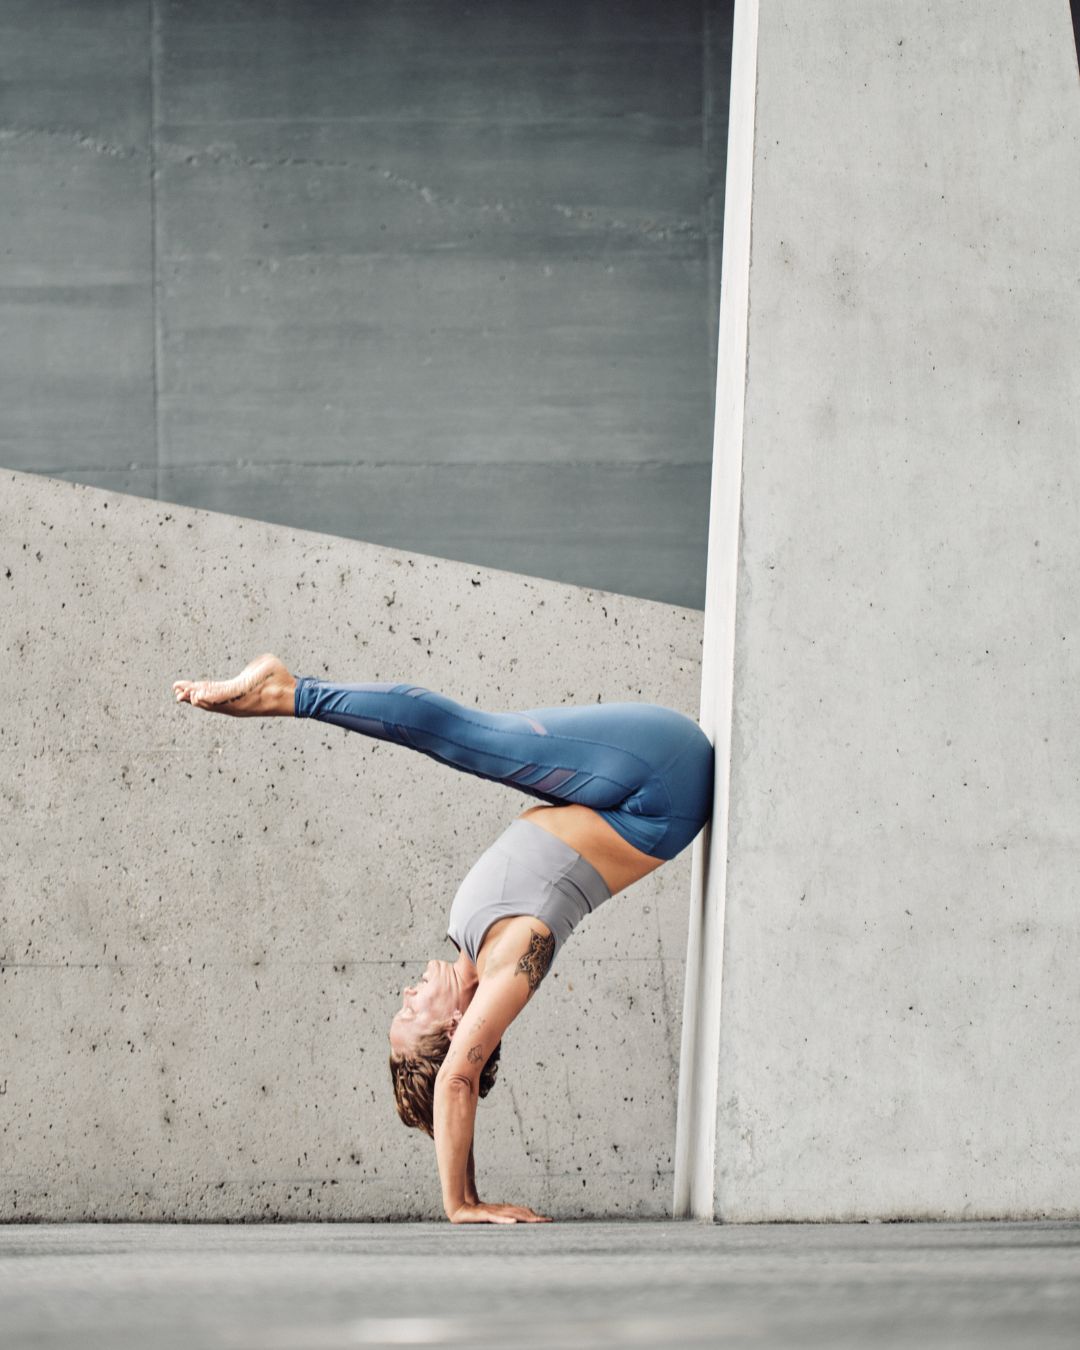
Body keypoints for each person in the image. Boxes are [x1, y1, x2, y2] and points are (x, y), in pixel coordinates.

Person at [173, 652, 714, 1224]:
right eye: (410, 1014)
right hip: (662, 786)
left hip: (637, 780)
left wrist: (469, 1184)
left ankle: (294, 694)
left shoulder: (472, 944)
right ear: (454, 1029)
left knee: (473, 739)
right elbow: (458, 1077)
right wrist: (461, 1204)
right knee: (466, 736)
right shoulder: (511, 964)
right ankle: (291, 693)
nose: (405, 995)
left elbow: (452, 1088)